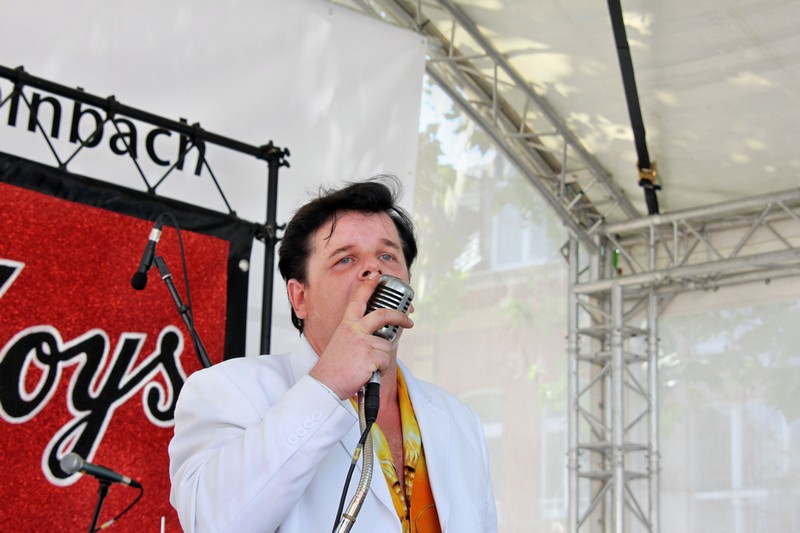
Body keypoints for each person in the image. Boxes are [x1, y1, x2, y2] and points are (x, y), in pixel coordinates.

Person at [168, 175, 497, 532]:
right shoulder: (225, 390)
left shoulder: (460, 420)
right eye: (345, 259)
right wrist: (327, 384)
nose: (374, 269)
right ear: (299, 298)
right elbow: (211, 523)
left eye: (387, 255)